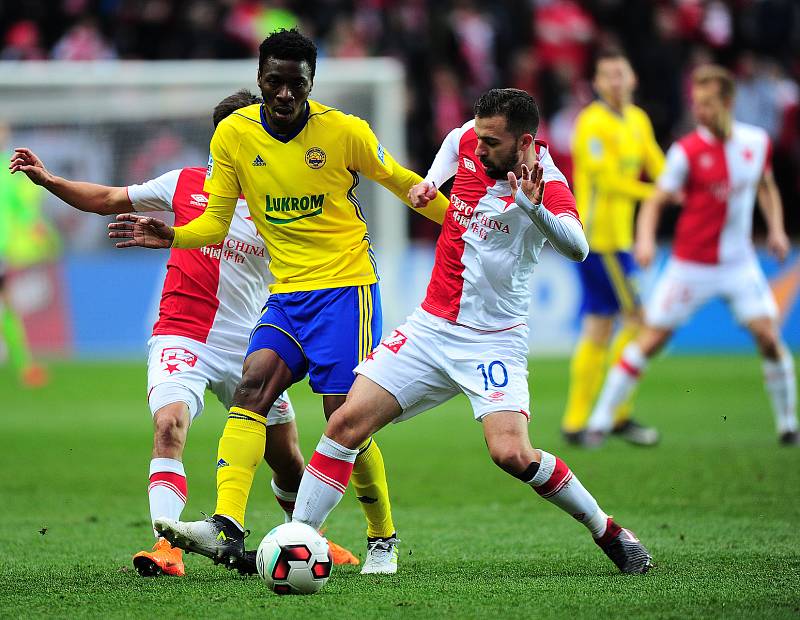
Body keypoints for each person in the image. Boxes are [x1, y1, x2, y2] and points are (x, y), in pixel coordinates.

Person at [107, 29, 450, 575]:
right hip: (287, 295)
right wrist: (172, 235)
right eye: (274, 82)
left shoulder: (343, 131)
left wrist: (462, 224)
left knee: (346, 423)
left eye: (297, 84)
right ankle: (226, 526)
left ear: (311, 83)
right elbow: (216, 221)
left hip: (345, 291)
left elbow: (401, 181)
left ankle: (382, 536)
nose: (285, 94)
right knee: (251, 390)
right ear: (259, 80)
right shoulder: (235, 136)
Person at [287, 88, 653, 575]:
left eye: (492, 143)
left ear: (524, 142)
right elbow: (455, 137)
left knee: (511, 453)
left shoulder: (550, 184)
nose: (479, 149)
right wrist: (432, 182)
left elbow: (579, 248)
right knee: (344, 425)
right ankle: (298, 539)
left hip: (493, 339)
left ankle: (608, 531)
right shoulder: (469, 141)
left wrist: (531, 207)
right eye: (478, 137)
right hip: (431, 326)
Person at [9, 90, 358, 576]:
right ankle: (166, 546)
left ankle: (307, 536)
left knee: (288, 460)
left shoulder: (276, 201)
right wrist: (49, 181)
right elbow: (108, 199)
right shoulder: (185, 184)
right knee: (169, 425)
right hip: (183, 334)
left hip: (250, 344)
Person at [585, 65, 798, 446]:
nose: (699, 112)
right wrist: (646, 239)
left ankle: (787, 425)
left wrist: (777, 228)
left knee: (768, 336)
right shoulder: (686, 152)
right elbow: (655, 202)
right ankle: (600, 421)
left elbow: (765, 186)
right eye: (696, 104)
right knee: (650, 339)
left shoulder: (755, 142)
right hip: (689, 267)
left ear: (728, 102)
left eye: (707, 104)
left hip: (738, 263)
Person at [561, 50, 665, 447]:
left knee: (600, 327)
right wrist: (662, 193)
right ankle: (616, 414)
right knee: (640, 322)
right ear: (598, 84)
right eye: (607, 76)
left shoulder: (638, 120)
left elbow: (659, 163)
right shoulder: (591, 123)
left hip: (618, 240)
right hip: (600, 240)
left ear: (633, 78)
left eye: (620, 73)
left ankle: (576, 423)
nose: (615, 82)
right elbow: (607, 182)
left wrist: (679, 180)